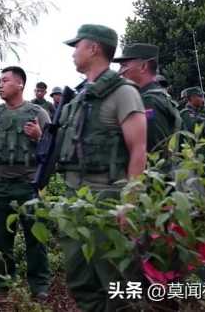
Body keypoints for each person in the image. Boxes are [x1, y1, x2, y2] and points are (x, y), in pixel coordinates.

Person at [57, 24, 147, 312]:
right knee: (79, 276)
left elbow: (138, 149)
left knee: (115, 279)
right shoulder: (82, 96)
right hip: (74, 197)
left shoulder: (124, 93)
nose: (73, 52)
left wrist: (130, 204)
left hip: (107, 197)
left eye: (78, 45)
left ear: (94, 48)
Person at [0, 66, 51, 300]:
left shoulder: (38, 113)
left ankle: (39, 285)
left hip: (29, 186)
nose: (0, 84)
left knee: (35, 239)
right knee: (1, 239)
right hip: (0, 186)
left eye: (5, 81)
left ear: (20, 84)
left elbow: (51, 152)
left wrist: (40, 137)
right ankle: (2, 282)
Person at [113, 43, 180, 152]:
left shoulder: (148, 101)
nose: (120, 72)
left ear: (143, 66)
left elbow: (154, 153)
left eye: (124, 65)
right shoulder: (157, 96)